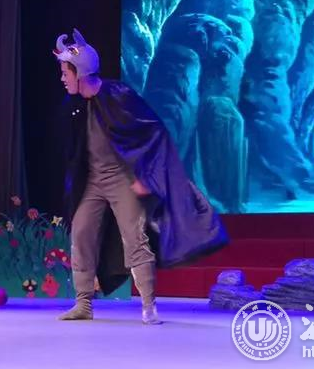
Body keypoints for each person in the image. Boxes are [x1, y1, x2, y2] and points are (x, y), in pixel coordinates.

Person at [53, 28, 228, 324]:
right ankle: (83, 304)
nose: (62, 78)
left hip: (122, 179)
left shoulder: (118, 96)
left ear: (80, 72)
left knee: (134, 238)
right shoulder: (75, 106)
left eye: (65, 72)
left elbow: (152, 131)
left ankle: (148, 305)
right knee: (81, 233)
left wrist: (145, 175)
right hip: (93, 182)